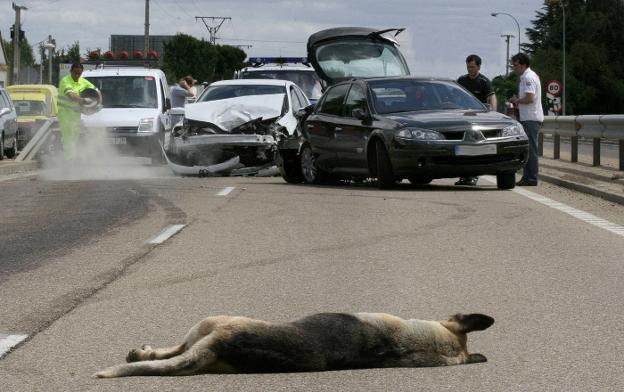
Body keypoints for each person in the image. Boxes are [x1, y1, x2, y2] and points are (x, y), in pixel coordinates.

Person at [455, 54, 497, 186]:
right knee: (461, 148)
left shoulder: (484, 82)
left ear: (478, 67)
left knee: (474, 148)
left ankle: (473, 176)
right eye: (468, 67)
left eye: (472, 67)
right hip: (463, 118)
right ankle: (463, 176)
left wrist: (493, 114)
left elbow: (492, 97)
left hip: (478, 119)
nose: (469, 69)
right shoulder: (461, 80)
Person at [509, 53, 544, 186]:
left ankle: (531, 178)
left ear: (523, 65)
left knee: (530, 149)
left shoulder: (528, 78)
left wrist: (517, 100)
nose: (514, 68)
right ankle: (528, 176)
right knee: (528, 148)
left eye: (516, 65)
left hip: (530, 118)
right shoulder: (528, 76)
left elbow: (530, 98)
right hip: (529, 117)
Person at [57, 62, 98, 160]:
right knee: (68, 138)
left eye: (79, 73)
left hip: (76, 115)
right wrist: (84, 100)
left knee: (74, 138)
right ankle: (69, 161)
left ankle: (72, 159)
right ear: (71, 71)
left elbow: (95, 92)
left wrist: (97, 103)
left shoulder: (83, 82)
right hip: (65, 115)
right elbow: (71, 95)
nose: (77, 75)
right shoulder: (65, 81)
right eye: (75, 73)